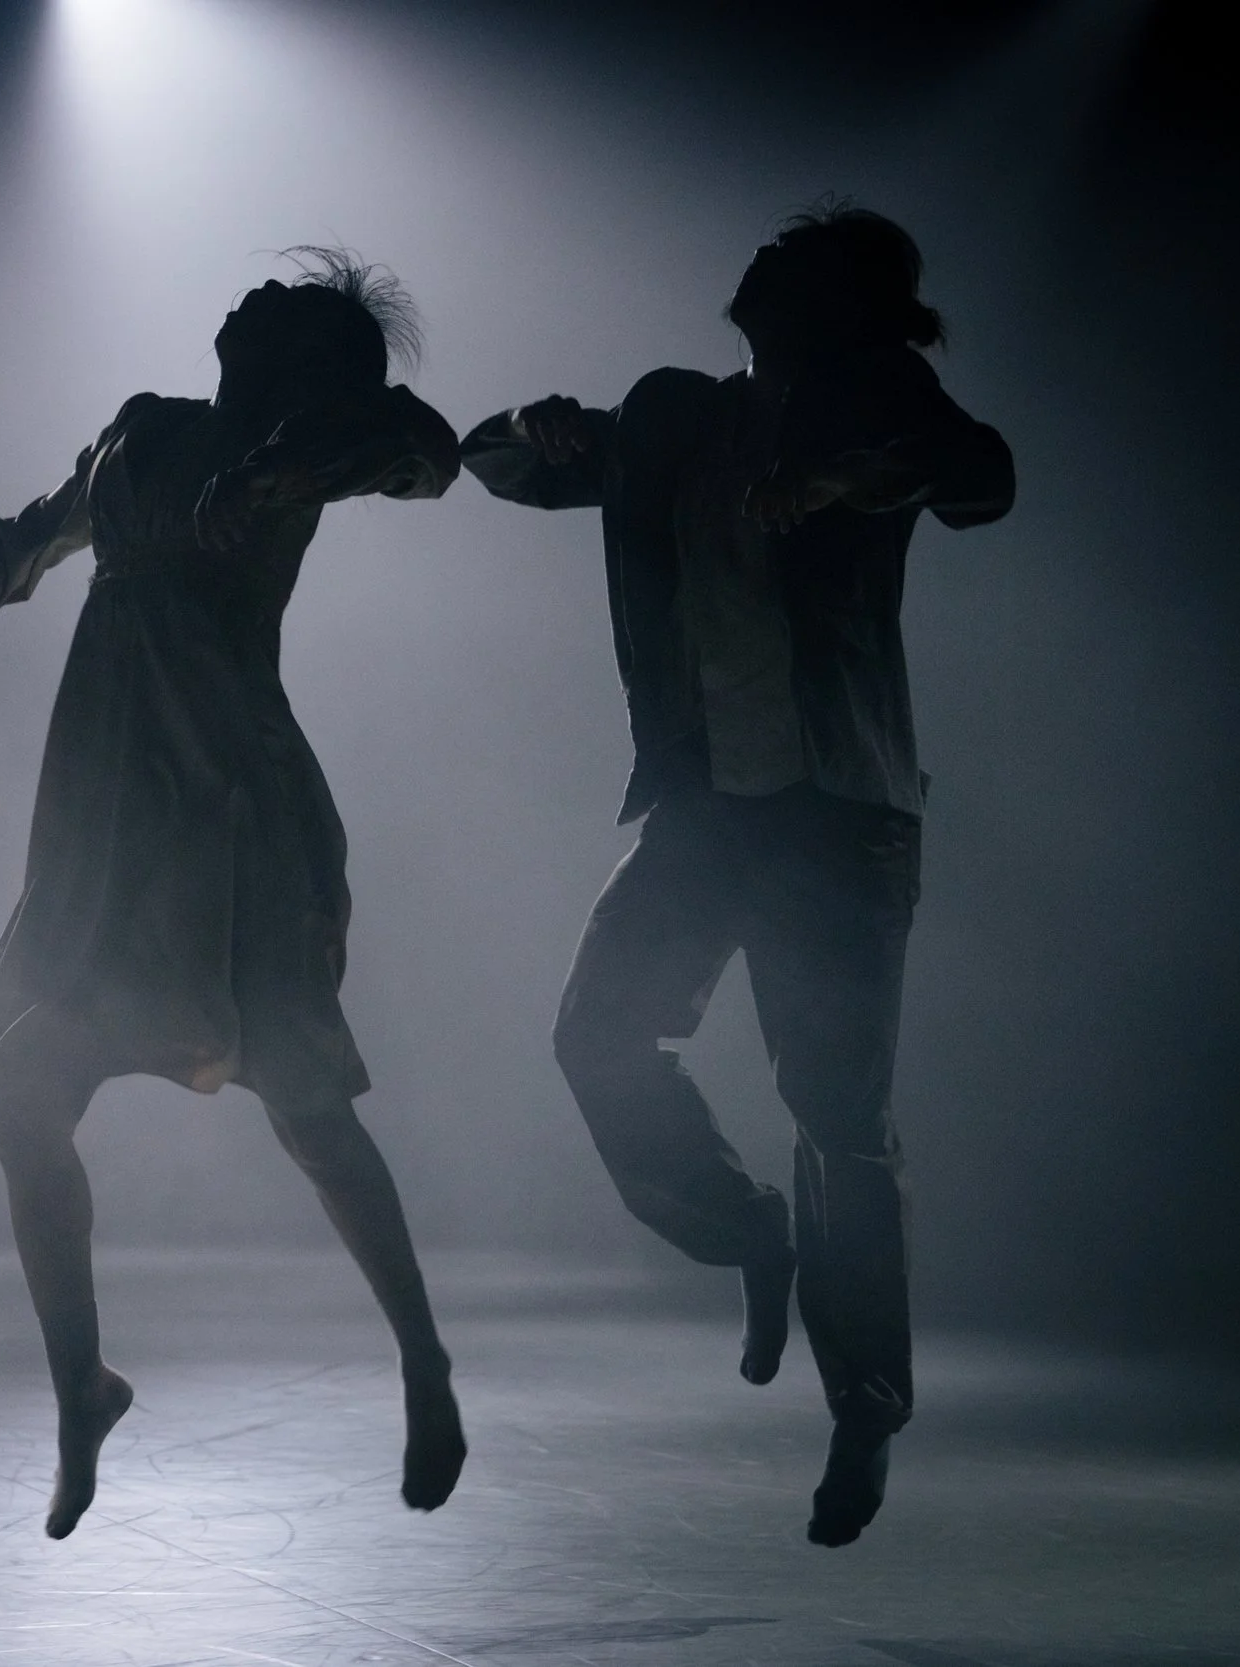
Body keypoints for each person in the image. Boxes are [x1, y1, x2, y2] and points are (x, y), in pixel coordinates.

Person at [0, 252, 467, 1539]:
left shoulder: (311, 443)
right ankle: (82, 1380)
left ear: (306, 363)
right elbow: (31, 533)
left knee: (308, 1110)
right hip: (109, 826)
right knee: (24, 1097)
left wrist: (309, 449)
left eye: (283, 310)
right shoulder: (147, 430)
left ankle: (421, 1352)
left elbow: (425, 447)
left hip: (237, 818)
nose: (249, 299)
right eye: (256, 294)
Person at [459, 206, 1014, 1547]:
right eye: (772, 245)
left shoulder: (882, 397)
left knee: (837, 1109)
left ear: (851, 306)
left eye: (805, 253)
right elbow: (502, 466)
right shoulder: (675, 415)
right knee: (598, 1033)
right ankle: (745, 1229)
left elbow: (979, 474)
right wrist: (525, 435)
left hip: (842, 817)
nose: (769, 255)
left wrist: (844, 480)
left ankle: (867, 1397)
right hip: (709, 809)